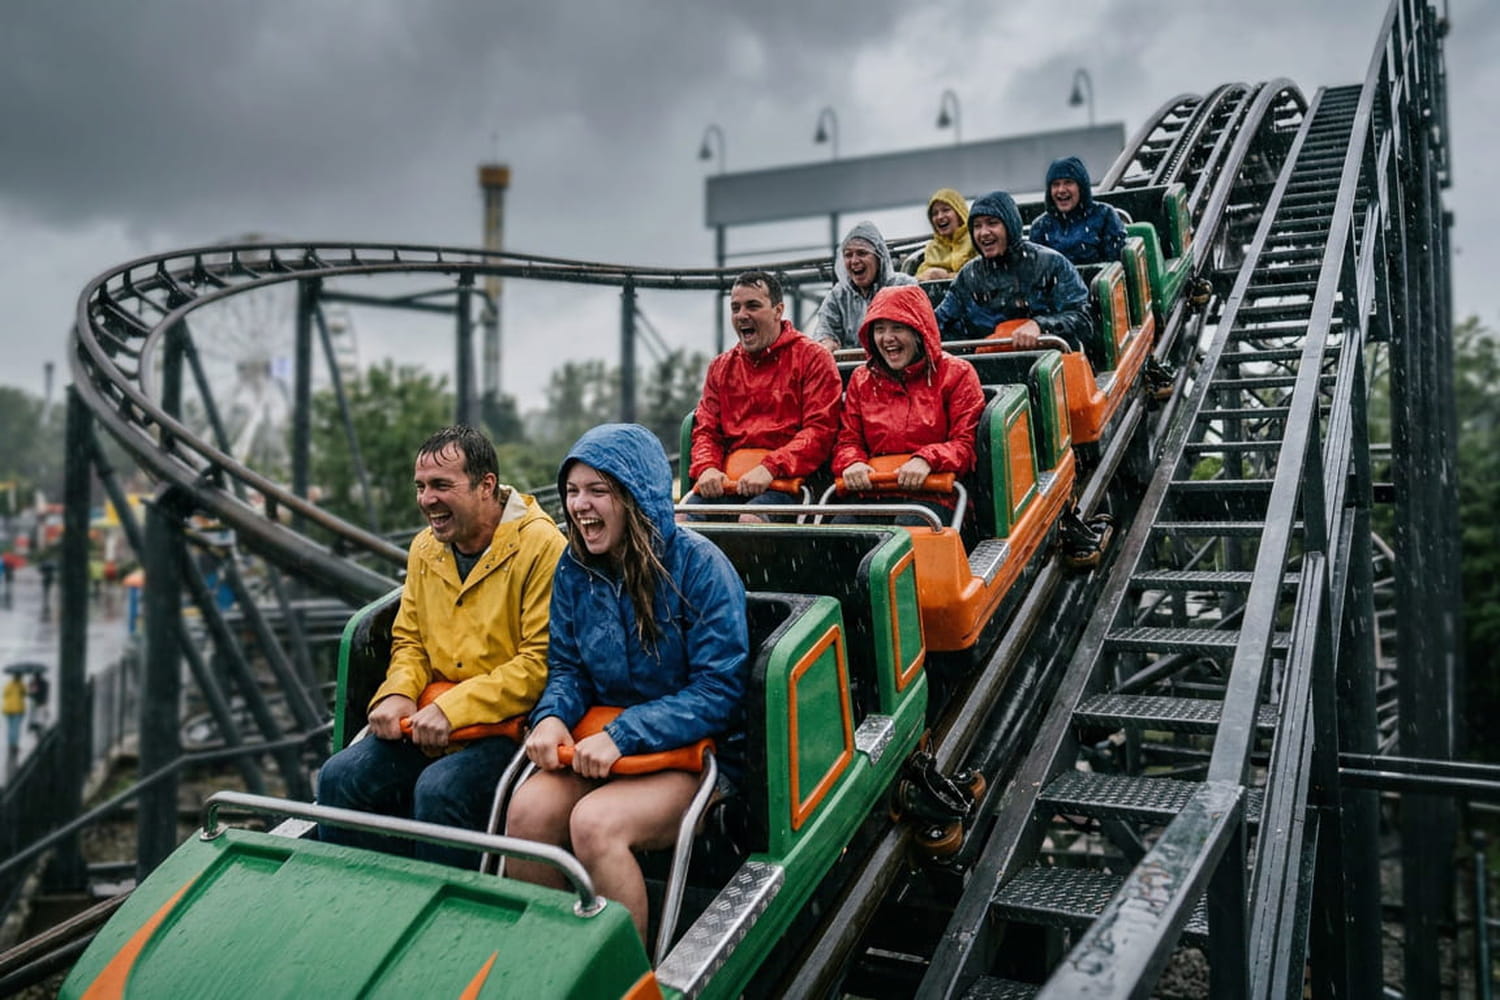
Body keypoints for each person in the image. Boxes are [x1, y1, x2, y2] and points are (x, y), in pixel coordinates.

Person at [506, 424, 749, 944]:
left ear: (635, 497)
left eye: (597, 491)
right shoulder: (575, 568)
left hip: (694, 754)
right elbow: (568, 669)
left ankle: (627, 975)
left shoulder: (701, 568)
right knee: (525, 812)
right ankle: (551, 959)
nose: (579, 506)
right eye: (572, 492)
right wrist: (551, 716)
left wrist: (625, 734)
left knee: (596, 825)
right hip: (604, 744)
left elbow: (718, 691)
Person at [317, 425, 567, 869]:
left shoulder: (541, 547)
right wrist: (397, 692)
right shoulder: (425, 550)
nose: (426, 499)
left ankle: (449, 920)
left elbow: (538, 663)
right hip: (428, 721)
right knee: (341, 776)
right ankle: (363, 905)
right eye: (420, 486)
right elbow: (409, 639)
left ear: (486, 485)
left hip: (506, 728)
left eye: (441, 485)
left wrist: (455, 708)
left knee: (442, 789)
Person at [687, 270, 843, 521]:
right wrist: (707, 467)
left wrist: (771, 467)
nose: (742, 315)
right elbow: (706, 430)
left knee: (750, 521)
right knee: (683, 523)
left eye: (753, 306)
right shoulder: (721, 366)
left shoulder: (813, 358)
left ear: (778, 310)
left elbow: (819, 431)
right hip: (730, 482)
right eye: (735, 308)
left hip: (790, 483)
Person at [832, 285, 985, 526]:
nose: (887, 338)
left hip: (936, 494)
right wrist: (852, 462)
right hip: (876, 493)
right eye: (879, 329)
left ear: (918, 332)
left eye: (897, 328)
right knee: (840, 531)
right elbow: (849, 441)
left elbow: (965, 445)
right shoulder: (861, 380)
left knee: (905, 535)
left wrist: (927, 460)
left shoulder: (957, 374)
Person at [934, 190, 1094, 355]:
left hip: (1051, 362)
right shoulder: (968, 276)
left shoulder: (1050, 263)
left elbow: (1083, 320)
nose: (984, 232)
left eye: (992, 223)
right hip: (986, 368)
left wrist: (1041, 326)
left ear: (1009, 225)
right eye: (977, 226)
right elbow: (939, 322)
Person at [811, 221, 918, 351]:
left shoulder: (904, 286)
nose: (854, 261)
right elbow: (825, 329)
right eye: (848, 255)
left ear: (879, 258)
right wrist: (827, 341)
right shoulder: (838, 295)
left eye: (862, 253)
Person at [1027, 156, 1128, 266]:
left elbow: (1116, 269)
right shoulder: (1040, 227)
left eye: (1068, 182)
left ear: (1081, 187)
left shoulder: (1105, 215)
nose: (1061, 190)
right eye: (1056, 184)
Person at [914, 188, 977, 281]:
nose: (940, 217)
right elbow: (917, 280)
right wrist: (926, 276)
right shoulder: (932, 247)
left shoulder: (976, 238)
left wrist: (947, 277)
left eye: (946, 210)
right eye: (935, 213)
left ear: (959, 213)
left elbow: (983, 273)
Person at [3, 675, 25, 759]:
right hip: (17, 710)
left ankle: (10, 746)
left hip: (7, 709)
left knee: (11, 728)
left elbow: (4, 694)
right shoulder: (21, 685)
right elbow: (25, 694)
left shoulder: (8, 685)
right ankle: (14, 746)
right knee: (15, 729)